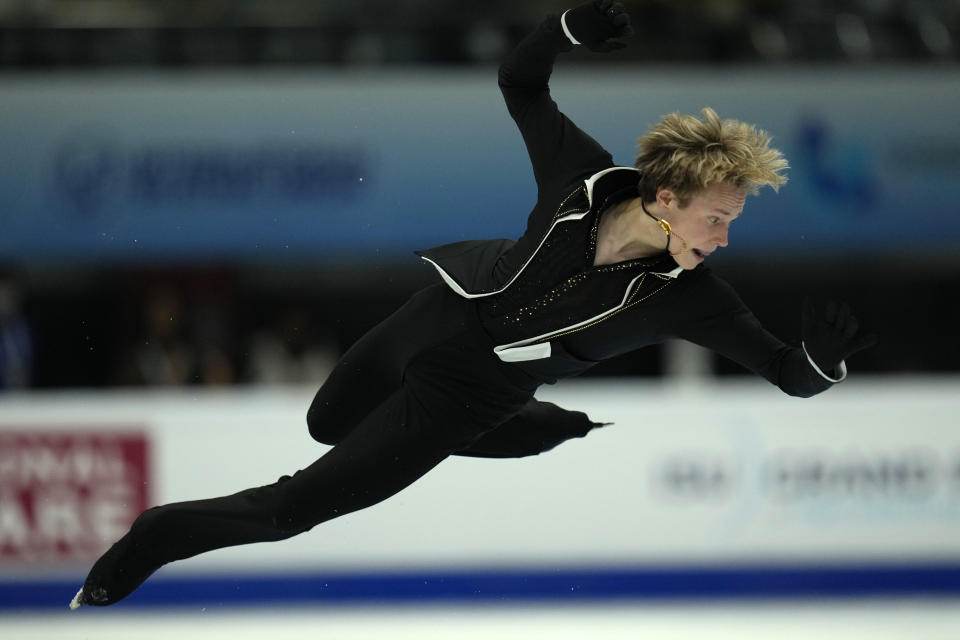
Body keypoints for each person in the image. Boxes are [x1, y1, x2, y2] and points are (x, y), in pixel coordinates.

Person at [71, 0, 876, 608]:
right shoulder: (583, 179)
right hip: (441, 314)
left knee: (295, 507)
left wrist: (821, 362)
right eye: (718, 218)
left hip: (472, 393)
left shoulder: (694, 297)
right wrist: (563, 28)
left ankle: (151, 541)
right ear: (667, 197)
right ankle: (523, 432)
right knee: (326, 421)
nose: (725, 238)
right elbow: (519, 80)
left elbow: (786, 374)